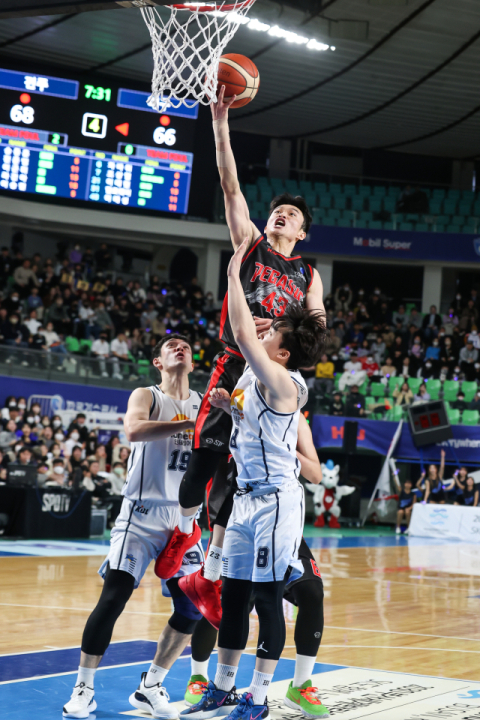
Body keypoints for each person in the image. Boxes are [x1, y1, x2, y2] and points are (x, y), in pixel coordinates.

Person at [154, 85, 324, 612]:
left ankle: (214, 572)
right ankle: (185, 537)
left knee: (246, 474)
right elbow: (229, 184)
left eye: (292, 216)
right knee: (203, 466)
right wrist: (220, 120)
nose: (282, 216)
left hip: (270, 377)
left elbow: (314, 333)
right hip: (232, 364)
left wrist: (286, 332)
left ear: (301, 233)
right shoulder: (249, 245)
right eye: (279, 211)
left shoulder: (309, 274)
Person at [178, 239, 328, 720]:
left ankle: (259, 698)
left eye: (272, 335)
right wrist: (227, 408)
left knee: (267, 598)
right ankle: (222, 686)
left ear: (281, 354)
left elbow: (241, 331)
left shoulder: (285, 381)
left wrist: (233, 273)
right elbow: (250, 422)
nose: (263, 334)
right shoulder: (253, 381)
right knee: (235, 596)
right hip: (244, 499)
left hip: (277, 503)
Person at [62, 334, 205, 719]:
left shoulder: (204, 402)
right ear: (158, 362)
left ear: (193, 362)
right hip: (140, 516)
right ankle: (83, 688)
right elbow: (134, 429)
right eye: (170, 346)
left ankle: (151, 685)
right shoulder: (147, 395)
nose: (180, 349)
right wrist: (194, 424)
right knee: (114, 597)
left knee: (193, 607)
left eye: (186, 347)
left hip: (184, 519)